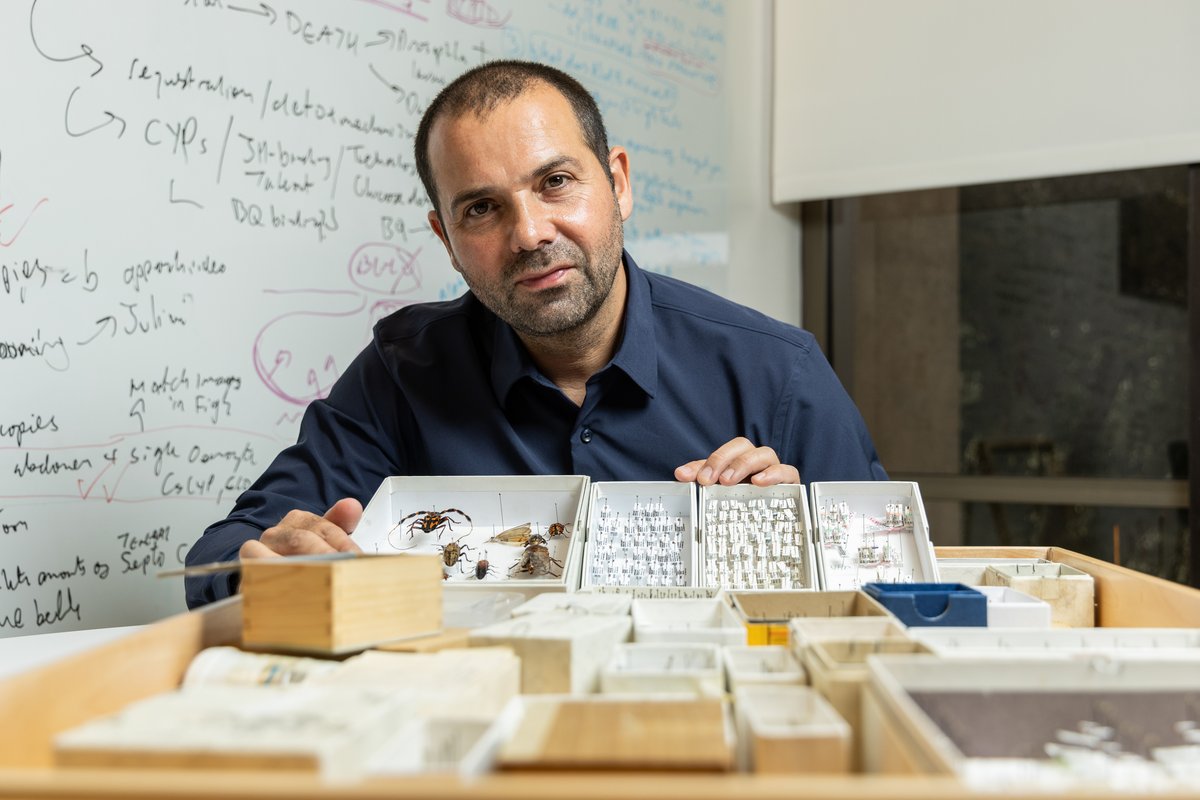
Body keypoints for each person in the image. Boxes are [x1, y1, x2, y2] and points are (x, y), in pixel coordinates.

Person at [184, 60, 886, 608]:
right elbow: (224, 554)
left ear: (618, 183)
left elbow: (888, 583)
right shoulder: (402, 372)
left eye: (555, 182)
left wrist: (796, 537)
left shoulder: (778, 371)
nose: (529, 234)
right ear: (448, 239)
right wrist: (270, 563)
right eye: (483, 209)